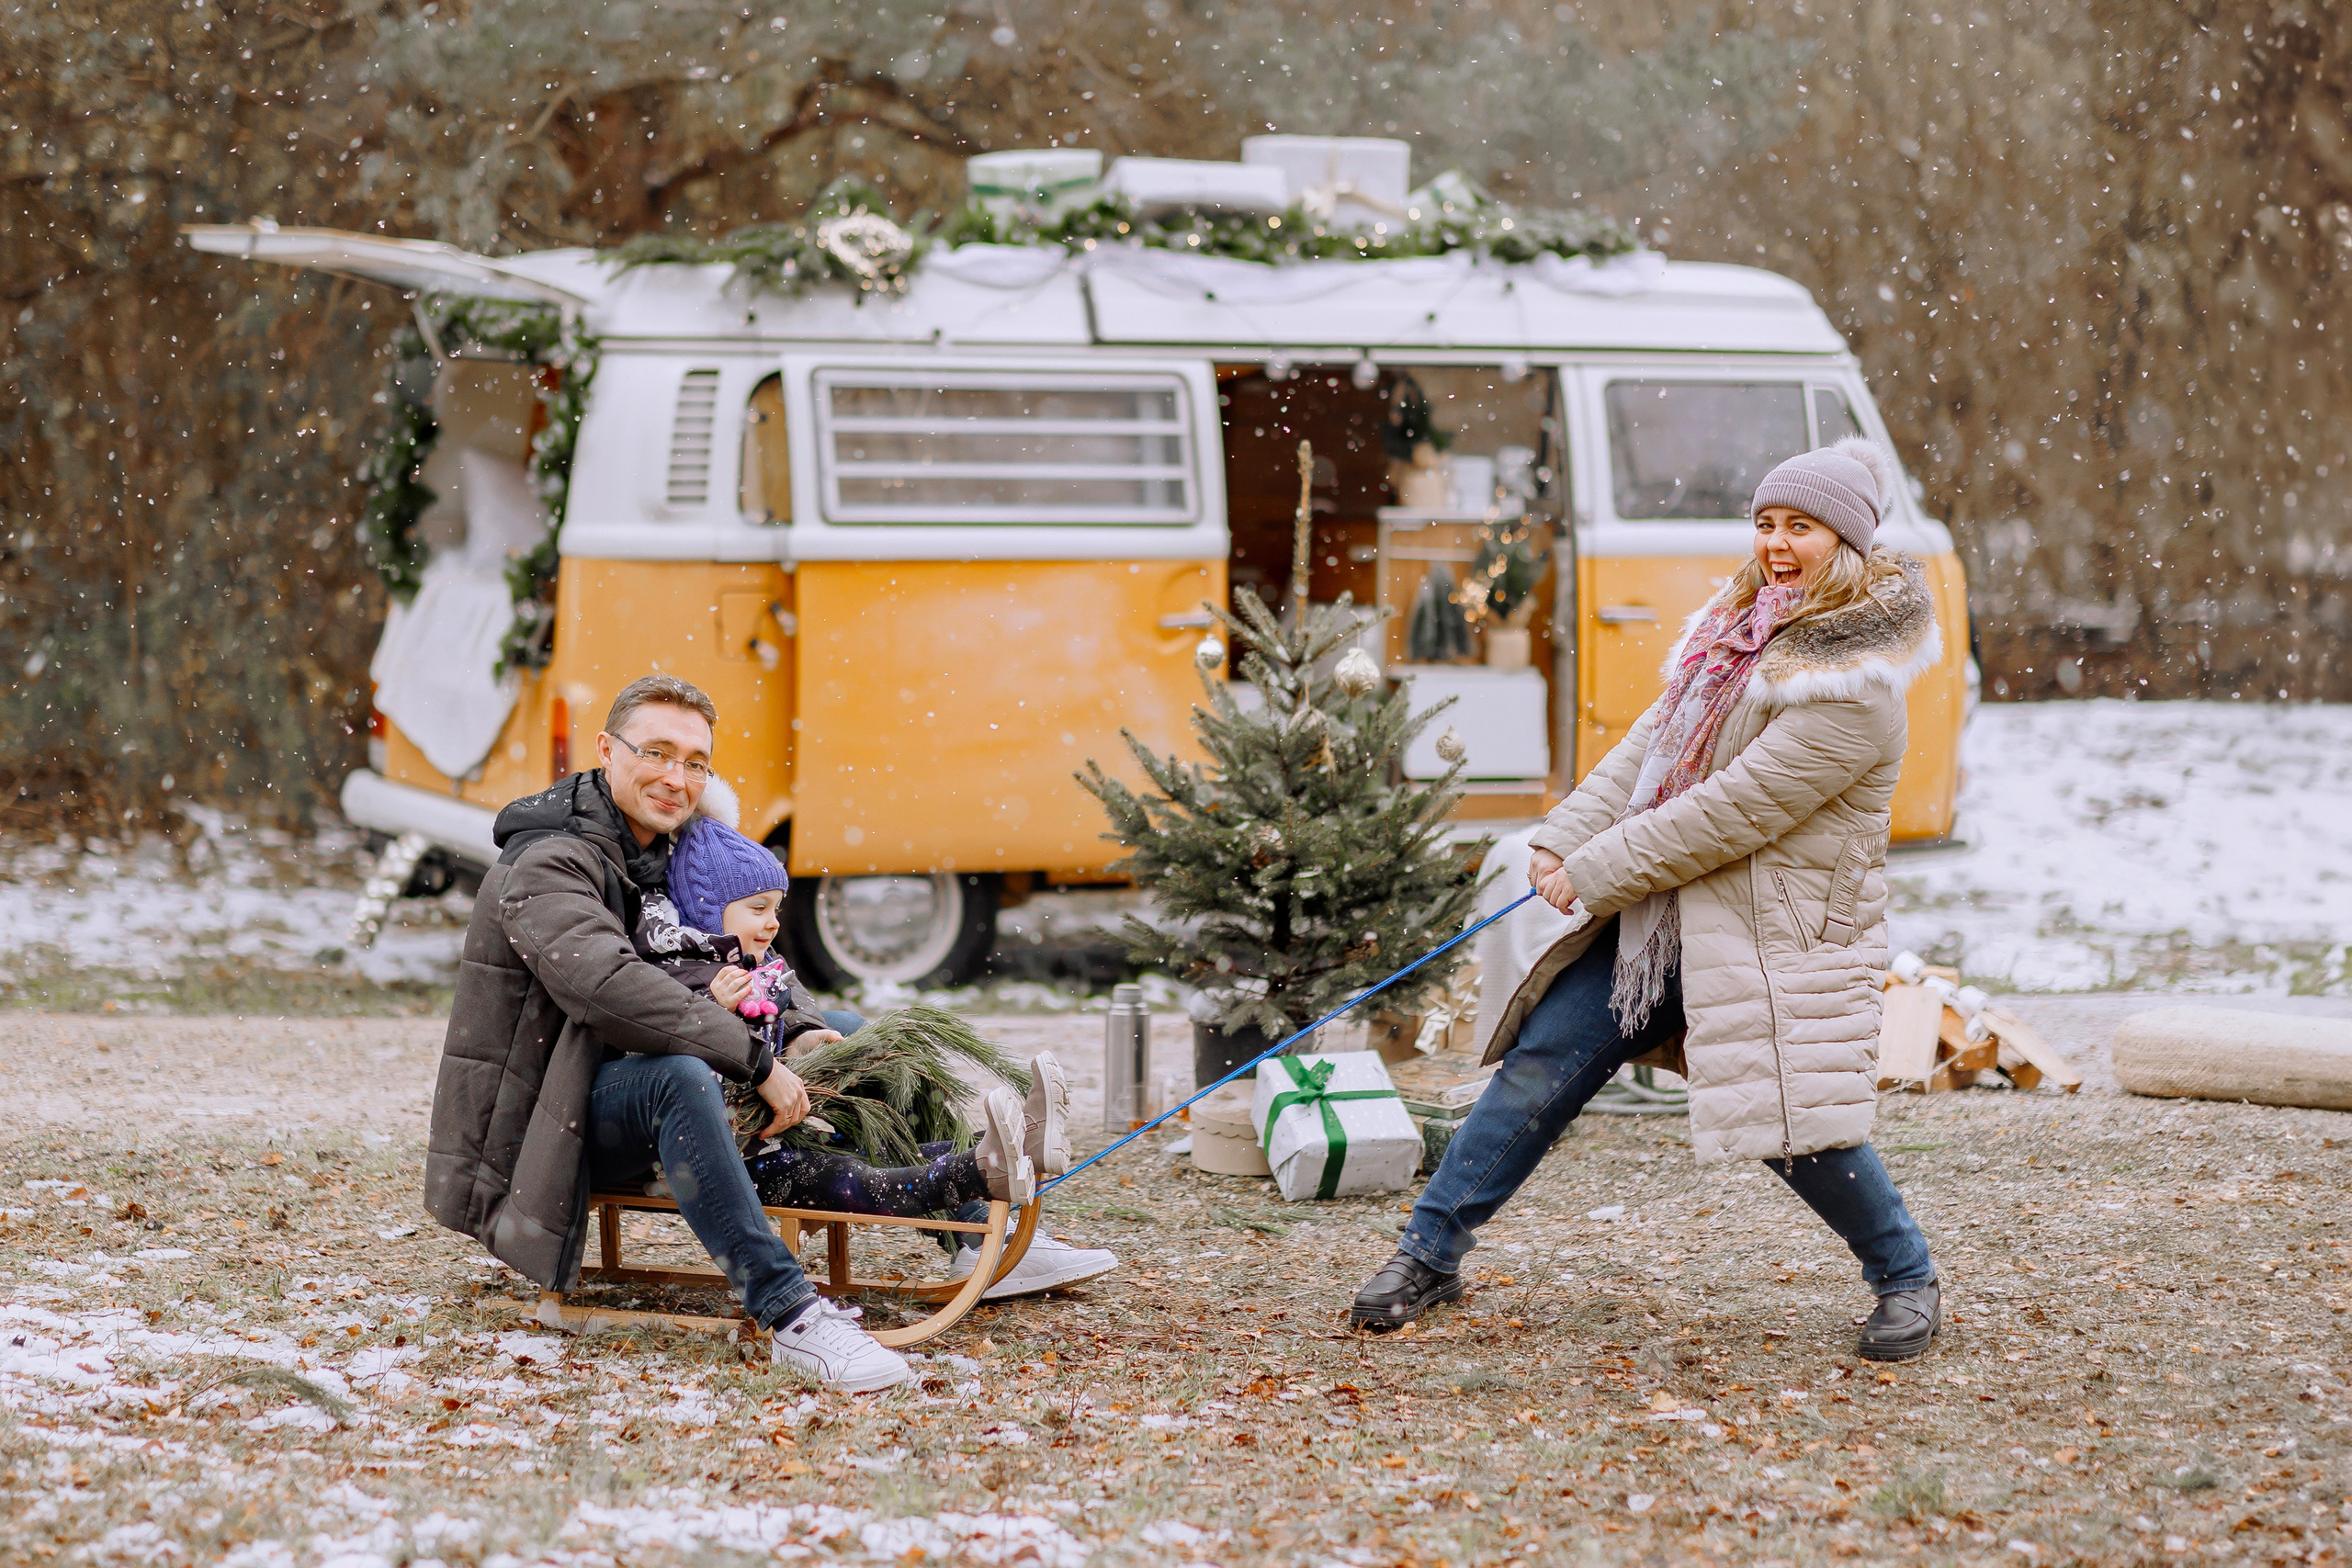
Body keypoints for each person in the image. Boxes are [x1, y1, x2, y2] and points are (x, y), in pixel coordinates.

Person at [1350, 437, 1948, 1362]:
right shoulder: (1738, 627)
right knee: (1539, 1071)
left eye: (1802, 527)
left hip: (1769, 933)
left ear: (1850, 541)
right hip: (1657, 924)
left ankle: (1906, 1277)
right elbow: (1650, 748)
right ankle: (1427, 1255)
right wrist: (1562, 834)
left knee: (1792, 1124)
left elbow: (1732, 811)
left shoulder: (1854, 682)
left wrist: (1590, 873)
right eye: (1765, 523)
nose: (1777, 543)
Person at [424, 673, 911, 1392]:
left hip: (632, 1076)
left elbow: (755, 947)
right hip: (543, 1120)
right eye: (655, 752)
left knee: (842, 1027)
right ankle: (792, 1316)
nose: (675, 777)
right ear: (605, 750)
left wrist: (800, 1029)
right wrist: (755, 1059)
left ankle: (968, 1216)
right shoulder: (548, 860)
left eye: (694, 761)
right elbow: (612, 989)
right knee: (678, 1078)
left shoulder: (671, 846)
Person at [655, 815, 1120, 1299]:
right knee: (860, 1176)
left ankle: (1015, 1147)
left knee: (876, 1119)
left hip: (792, 1129)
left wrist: (803, 1035)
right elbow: (673, 1042)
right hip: (742, 1150)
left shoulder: (759, 965)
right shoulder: (686, 977)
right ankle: (986, 1172)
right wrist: (717, 1010)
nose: (773, 922)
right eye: (758, 908)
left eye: (776, 907)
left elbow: (791, 1001)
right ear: (710, 911)